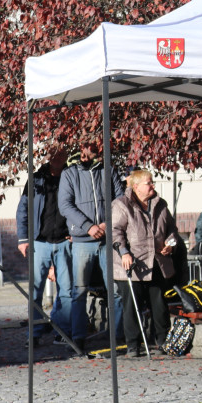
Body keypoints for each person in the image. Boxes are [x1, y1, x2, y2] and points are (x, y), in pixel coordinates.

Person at [58, 144, 126, 351]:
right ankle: (78, 337)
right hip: (82, 241)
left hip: (108, 238)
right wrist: (89, 227)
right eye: (88, 149)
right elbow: (65, 205)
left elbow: (120, 200)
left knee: (115, 290)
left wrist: (106, 223)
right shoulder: (69, 174)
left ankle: (118, 337)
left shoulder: (109, 170)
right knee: (79, 291)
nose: (92, 152)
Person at [111, 170, 180, 357]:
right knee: (132, 306)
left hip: (156, 262)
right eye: (148, 183)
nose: (153, 186)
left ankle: (163, 340)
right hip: (132, 264)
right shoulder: (120, 205)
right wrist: (124, 253)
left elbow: (171, 229)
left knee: (159, 304)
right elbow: (115, 232)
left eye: (152, 182)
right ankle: (133, 345)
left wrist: (170, 244)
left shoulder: (160, 204)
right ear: (136, 187)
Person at [15, 148, 72, 346]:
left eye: (61, 154)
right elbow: (23, 208)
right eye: (53, 153)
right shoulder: (36, 179)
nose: (57, 157)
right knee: (35, 290)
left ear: (66, 156)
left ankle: (62, 333)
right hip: (40, 242)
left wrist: (76, 232)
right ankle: (35, 333)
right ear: (49, 156)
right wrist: (23, 238)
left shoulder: (71, 176)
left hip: (66, 242)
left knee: (66, 290)